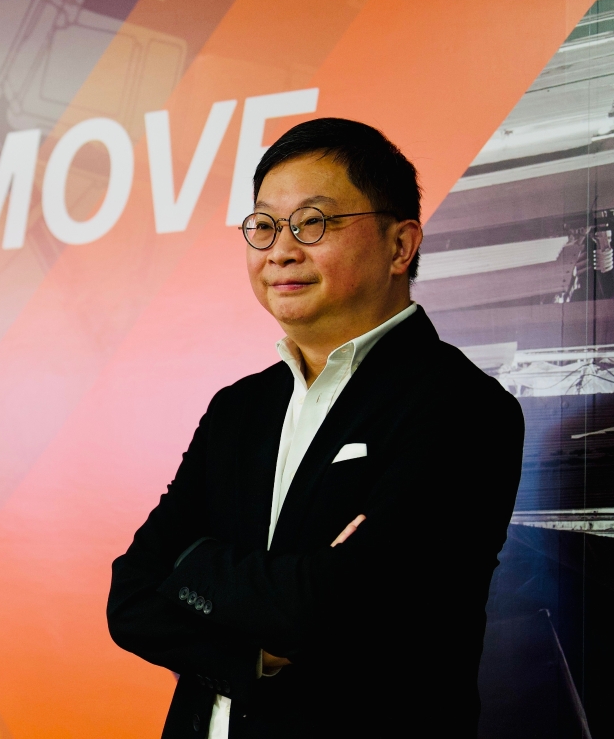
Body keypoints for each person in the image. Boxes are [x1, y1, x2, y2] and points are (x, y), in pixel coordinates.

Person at [106, 118, 524, 737]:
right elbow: (132, 596)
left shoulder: (462, 406)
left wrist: (194, 564)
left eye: (313, 222)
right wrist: (254, 651)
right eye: (265, 226)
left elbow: (338, 607)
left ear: (400, 246)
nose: (281, 250)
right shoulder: (238, 409)